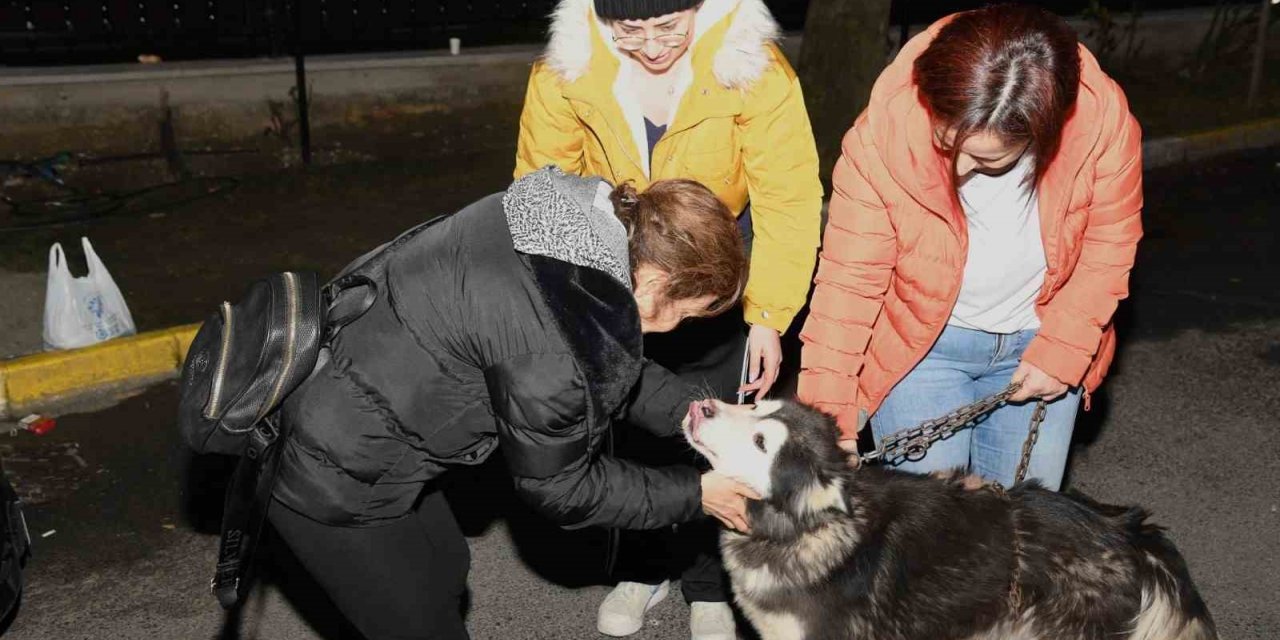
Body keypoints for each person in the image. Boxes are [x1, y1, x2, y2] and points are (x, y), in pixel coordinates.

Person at [267, 167, 757, 640]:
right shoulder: (553, 344)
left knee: (444, 568)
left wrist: (707, 416)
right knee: (418, 622)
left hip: (350, 396)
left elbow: (607, 361)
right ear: (652, 284)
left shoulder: (564, 225)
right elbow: (562, 487)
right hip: (332, 472)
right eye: (685, 315)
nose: (678, 329)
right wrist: (698, 493)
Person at [515, 1, 822, 636]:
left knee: (716, 420)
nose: (653, 45)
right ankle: (642, 567)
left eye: (668, 25)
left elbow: (787, 197)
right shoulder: (565, 69)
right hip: (617, 263)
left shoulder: (754, 68)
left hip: (716, 264)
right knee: (627, 417)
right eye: (632, 29)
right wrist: (567, 302)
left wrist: (767, 314)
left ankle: (710, 584)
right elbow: (540, 188)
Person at [799, 5, 1143, 491]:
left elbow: (1110, 242)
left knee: (1022, 537)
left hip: (1038, 341)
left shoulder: (1101, 124)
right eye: (944, 142)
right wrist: (829, 418)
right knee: (933, 547)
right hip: (922, 352)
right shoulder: (882, 135)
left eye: (985, 159)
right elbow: (848, 283)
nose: (957, 170)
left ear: (1042, 134)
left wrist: (1062, 350)